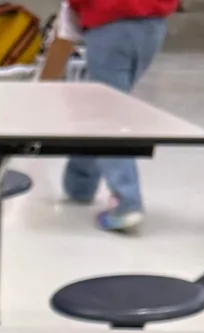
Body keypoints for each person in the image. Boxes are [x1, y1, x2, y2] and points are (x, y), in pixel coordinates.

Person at [59, 0, 177, 231]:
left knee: (107, 115)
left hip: (111, 21)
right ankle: (80, 183)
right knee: (102, 105)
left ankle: (126, 201)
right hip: (152, 25)